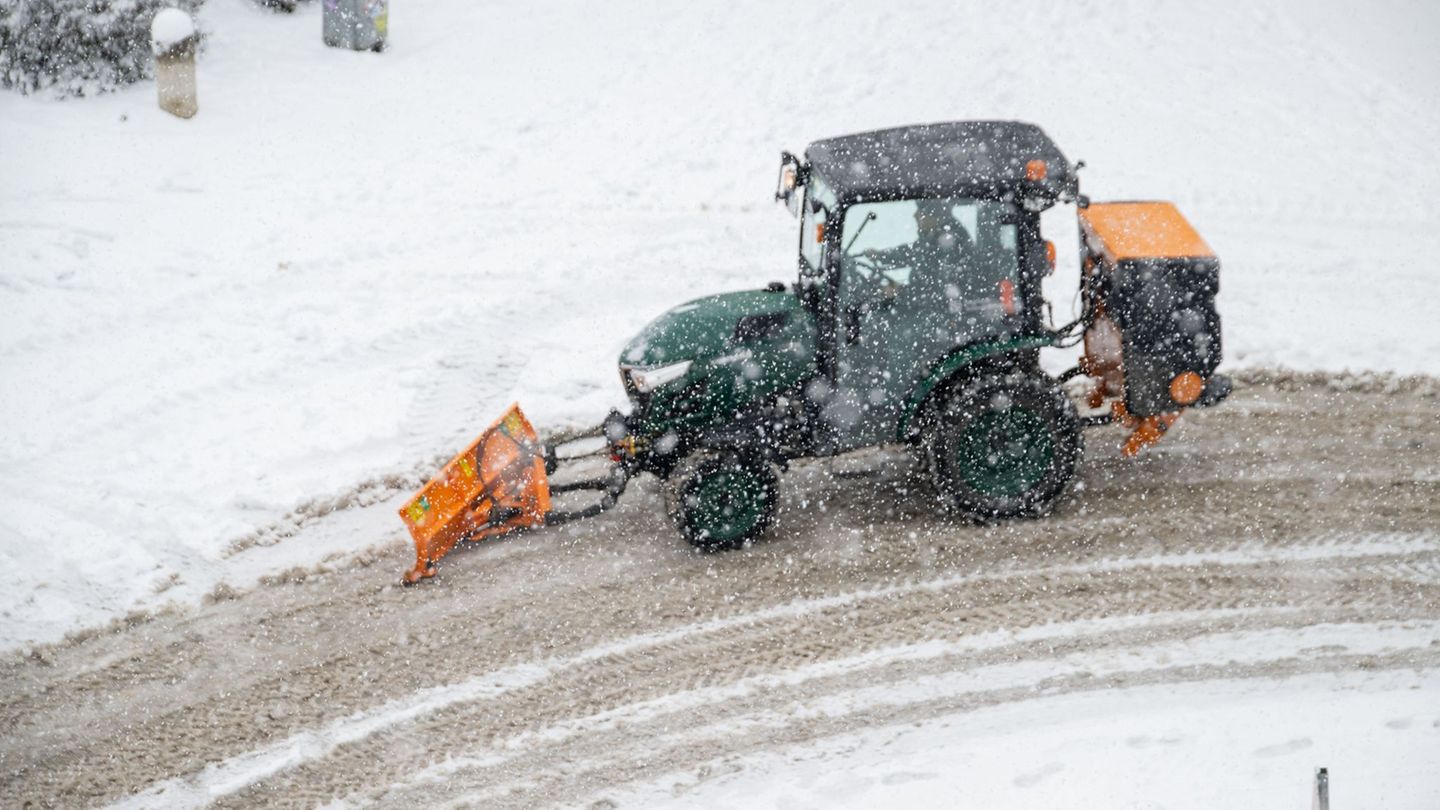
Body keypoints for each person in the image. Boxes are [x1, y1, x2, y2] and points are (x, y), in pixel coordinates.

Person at [860, 199, 972, 311]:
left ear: (934, 215)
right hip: (927, 311)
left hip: (937, 317)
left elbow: (935, 294)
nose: (915, 215)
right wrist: (881, 255)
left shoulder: (949, 244)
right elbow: (911, 252)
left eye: (920, 211)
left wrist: (899, 291)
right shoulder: (935, 239)